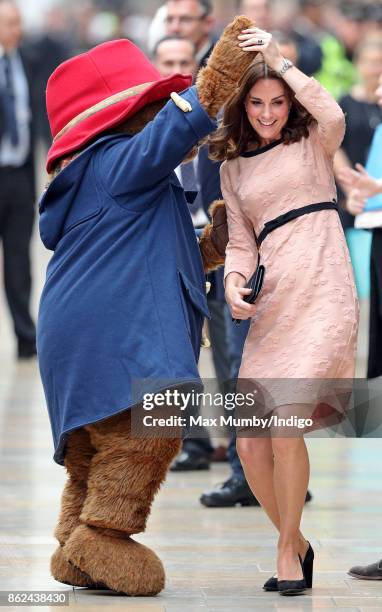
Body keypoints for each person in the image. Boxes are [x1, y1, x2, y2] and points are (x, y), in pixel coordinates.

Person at [37, 16, 254, 594]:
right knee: (149, 428)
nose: (157, 113)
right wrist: (225, 65)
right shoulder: (115, 160)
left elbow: (153, 251)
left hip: (81, 333)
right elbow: (180, 128)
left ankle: (72, 544)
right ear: (116, 117)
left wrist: (214, 246)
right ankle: (103, 536)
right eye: (149, 105)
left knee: (95, 447)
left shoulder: (101, 176)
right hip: (113, 332)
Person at [209, 25, 358, 595]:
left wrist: (281, 62)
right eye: (257, 103)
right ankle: (297, 541)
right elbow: (242, 243)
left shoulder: (314, 140)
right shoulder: (233, 167)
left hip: (324, 287)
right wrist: (234, 284)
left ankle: (284, 551)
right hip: (273, 300)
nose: (269, 113)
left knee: (285, 427)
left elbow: (335, 113)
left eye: (277, 103)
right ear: (241, 106)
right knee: (250, 440)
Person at [0, 0, 37, 359]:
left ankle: (26, 336)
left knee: (19, 261)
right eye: (10, 22)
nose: (17, 29)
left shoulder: (22, 60)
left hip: (18, 177)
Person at [334, 32, 382, 230]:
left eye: (379, 62)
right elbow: (336, 148)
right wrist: (352, 189)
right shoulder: (345, 102)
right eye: (369, 62)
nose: (374, 69)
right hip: (354, 197)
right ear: (357, 64)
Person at [165, 0, 216, 67]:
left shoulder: (223, 65)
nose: (174, 28)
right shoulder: (159, 62)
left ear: (207, 23)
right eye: (170, 19)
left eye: (185, 19)